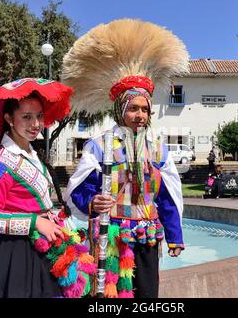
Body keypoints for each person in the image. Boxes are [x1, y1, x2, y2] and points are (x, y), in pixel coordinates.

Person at [62, 19, 189, 298]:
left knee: (147, 293)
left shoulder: (159, 150)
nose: (140, 115)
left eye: (144, 109)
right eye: (133, 108)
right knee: (109, 295)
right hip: (111, 235)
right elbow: (79, 189)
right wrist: (92, 201)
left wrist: (174, 236)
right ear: (121, 109)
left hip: (147, 236)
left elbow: (167, 197)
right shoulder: (98, 146)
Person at [0, 78, 94, 298]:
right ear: (9, 119)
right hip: (11, 255)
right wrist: (35, 222)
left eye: (39, 116)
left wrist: (50, 218)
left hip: (41, 249)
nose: (35, 124)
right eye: (26, 117)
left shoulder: (34, 157)